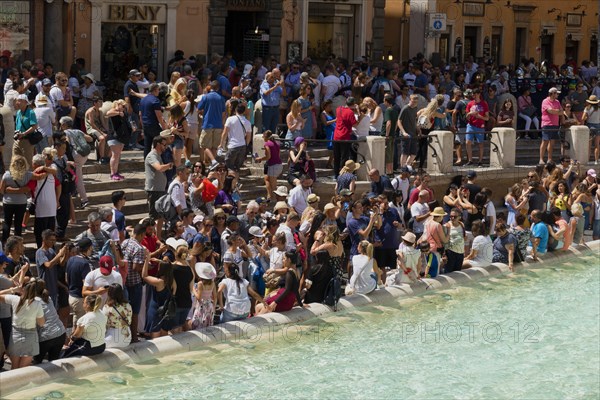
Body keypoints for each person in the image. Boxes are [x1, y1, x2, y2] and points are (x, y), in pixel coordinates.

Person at [0, 279, 44, 369]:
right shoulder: (38, 304)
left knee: (14, 368)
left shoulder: (15, 299)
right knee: (24, 369)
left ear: (23, 289)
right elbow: (41, 323)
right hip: (31, 337)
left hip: (16, 336)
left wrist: (13, 290)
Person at [145, 135, 173, 239]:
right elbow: (159, 168)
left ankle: (158, 237)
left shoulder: (158, 155)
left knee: (160, 215)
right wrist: (169, 165)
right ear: (157, 144)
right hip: (154, 190)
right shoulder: (152, 155)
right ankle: (150, 238)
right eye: (164, 145)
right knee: (153, 217)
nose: (165, 147)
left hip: (160, 189)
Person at [33, 279, 66, 364]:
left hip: (46, 336)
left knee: (36, 363)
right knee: (54, 364)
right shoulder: (48, 298)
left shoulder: (33, 302)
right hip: (60, 333)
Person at [333, 97, 364, 178]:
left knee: (336, 156)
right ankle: (342, 175)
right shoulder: (350, 112)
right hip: (345, 136)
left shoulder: (338, 109)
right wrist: (358, 113)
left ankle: (336, 174)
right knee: (344, 157)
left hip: (336, 136)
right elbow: (355, 124)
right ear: (353, 104)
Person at [219, 103, 251, 176]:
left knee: (229, 165)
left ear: (236, 110)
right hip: (242, 146)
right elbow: (248, 136)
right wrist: (246, 144)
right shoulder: (248, 122)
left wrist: (221, 144)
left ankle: (231, 182)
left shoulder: (230, 119)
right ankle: (235, 181)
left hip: (233, 145)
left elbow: (225, 132)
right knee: (237, 167)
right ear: (244, 111)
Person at [140, 83, 168, 157]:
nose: (159, 91)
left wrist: (142, 126)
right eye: (158, 90)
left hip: (145, 125)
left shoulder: (143, 100)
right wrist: (164, 128)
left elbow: (140, 114)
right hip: (153, 125)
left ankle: (147, 163)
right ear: (155, 90)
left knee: (147, 146)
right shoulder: (155, 101)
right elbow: (159, 116)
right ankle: (162, 162)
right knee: (161, 143)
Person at [101, 283, 132, 348]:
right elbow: (129, 321)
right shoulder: (128, 305)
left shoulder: (107, 307)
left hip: (112, 339)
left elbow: (103, 324)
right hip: (127, 338)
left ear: (109, 293)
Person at [255, 130, 282, 201]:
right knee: (267, 179)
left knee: (273, 186)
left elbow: (268, 156)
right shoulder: (276, 143)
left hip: (273, 166)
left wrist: (260, 158)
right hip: (278, 165)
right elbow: (278, 155)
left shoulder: (267, 144)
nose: (263, 138)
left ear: (265, 137)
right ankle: (269, 196)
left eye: (263, 136)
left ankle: (274, 200)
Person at [464, 88, 489, 167]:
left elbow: (487, 118)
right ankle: (470, 160)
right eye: (472, 95)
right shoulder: (470, 103)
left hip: (480, 126)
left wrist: (479, 116)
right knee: (468, 142)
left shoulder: (484, 104)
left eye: (475, 94)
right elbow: (466, 117)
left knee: (480, 144)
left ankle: (480, 161)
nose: (473, 96)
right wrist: (469, 114)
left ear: (478, 94)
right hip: (470, 125)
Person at [13, 94, 38, 169]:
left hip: (27, 140)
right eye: (17, 101)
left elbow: (34, 126)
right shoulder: (18, 112)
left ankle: (29, 179)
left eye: (20, 101)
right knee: (16, 160)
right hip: (17, 140)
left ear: (25, 102)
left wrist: (24, 134)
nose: (18, 102)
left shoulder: (31, 112)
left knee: (28, 162)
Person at [190, 262, 217, 329]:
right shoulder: (213, 283)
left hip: (201, 306)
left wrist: (193, 290)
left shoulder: (200, 284)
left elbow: (199, 297)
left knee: (197, 324)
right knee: (207, 325)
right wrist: (214, 307)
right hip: (209, 305)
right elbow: (215, 297)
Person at [540, 87, 563, 165]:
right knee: (545, 141)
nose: (558, 95)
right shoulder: (545, 101)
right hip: (546, 124)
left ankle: (549, 159)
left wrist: (555, 111)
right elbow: (550, 111)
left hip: (555, 124)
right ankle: (541, 159)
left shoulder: (557, 102)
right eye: (556, 93)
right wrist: (557, 111)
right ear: (552, 94)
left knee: (552, 143)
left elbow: (561, 112)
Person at [84, 96, 109, 164]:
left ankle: (107, 156)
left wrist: (107, 131)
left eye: (102, 102)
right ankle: (102, 158)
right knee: (102, 138)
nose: (101, 103)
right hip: (91, 129)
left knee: (110, 137)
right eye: (99, 102)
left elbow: (103, 123)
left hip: (98, 128)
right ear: (95, 103)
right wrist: (102, 132)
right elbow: (92, 125)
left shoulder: (100, 111)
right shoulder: (91, 111)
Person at [398, 94, 419, 169]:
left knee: (413, 153)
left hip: (413, 133)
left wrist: (418, 129)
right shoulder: (405, 108)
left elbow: (414, 120)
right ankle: (403, 168)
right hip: (406, 134)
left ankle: (407, 167)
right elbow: (399, 121)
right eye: (413, 101)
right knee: (405, 153)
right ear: (410, 100)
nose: (414, 103)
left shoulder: (415, 108)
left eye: (416, 102)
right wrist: (403, 132)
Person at [582, 95, 600, 165]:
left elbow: (583, 118)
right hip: (598, 126)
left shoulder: (587, 108)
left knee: (588, 145)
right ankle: (596, 160)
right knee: (597, 145)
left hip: (589, 126)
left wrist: (587, 117)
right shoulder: (599, 108)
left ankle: (588, 160)